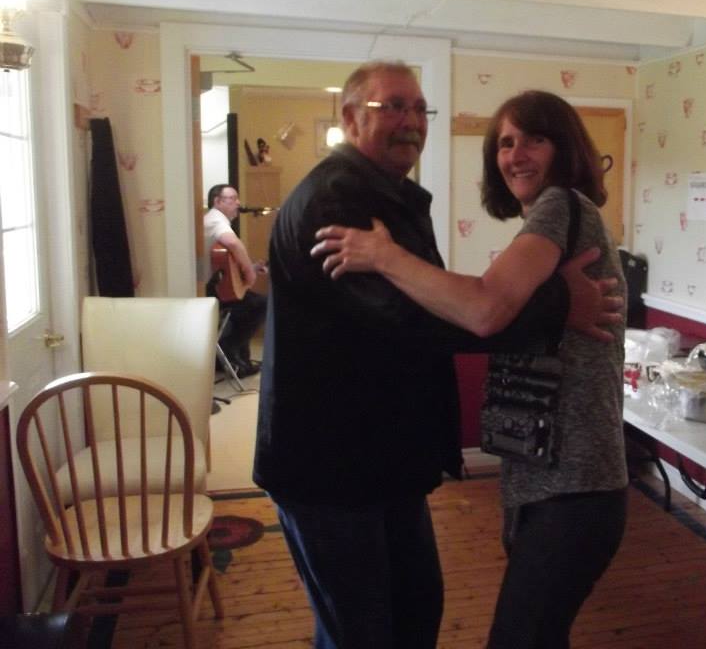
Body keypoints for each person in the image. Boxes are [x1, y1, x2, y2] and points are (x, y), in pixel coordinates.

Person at [255, 63, 622, 649]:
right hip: (330, 467)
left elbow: (461, 306)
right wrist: (555, 307)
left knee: (414, 616)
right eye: (391, 107)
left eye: (417, 109)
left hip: (386, 460)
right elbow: (421, 318)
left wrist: (517, 302)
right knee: (364, 635)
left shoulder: (395, 200)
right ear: (350, 119)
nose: (409, 122)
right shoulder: (338, 198)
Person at [202, 183, 267, 377]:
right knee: (262, 304)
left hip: (217, 285)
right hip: (210, 289)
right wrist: (250, 272)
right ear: (217, 201)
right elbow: (233, 243)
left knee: (248, 301)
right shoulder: (215, 219)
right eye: (232, 198)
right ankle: (228, 349)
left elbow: (223, 263)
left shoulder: (215, 221)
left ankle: (240, 361)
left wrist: (250, 267)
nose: (238, 203)